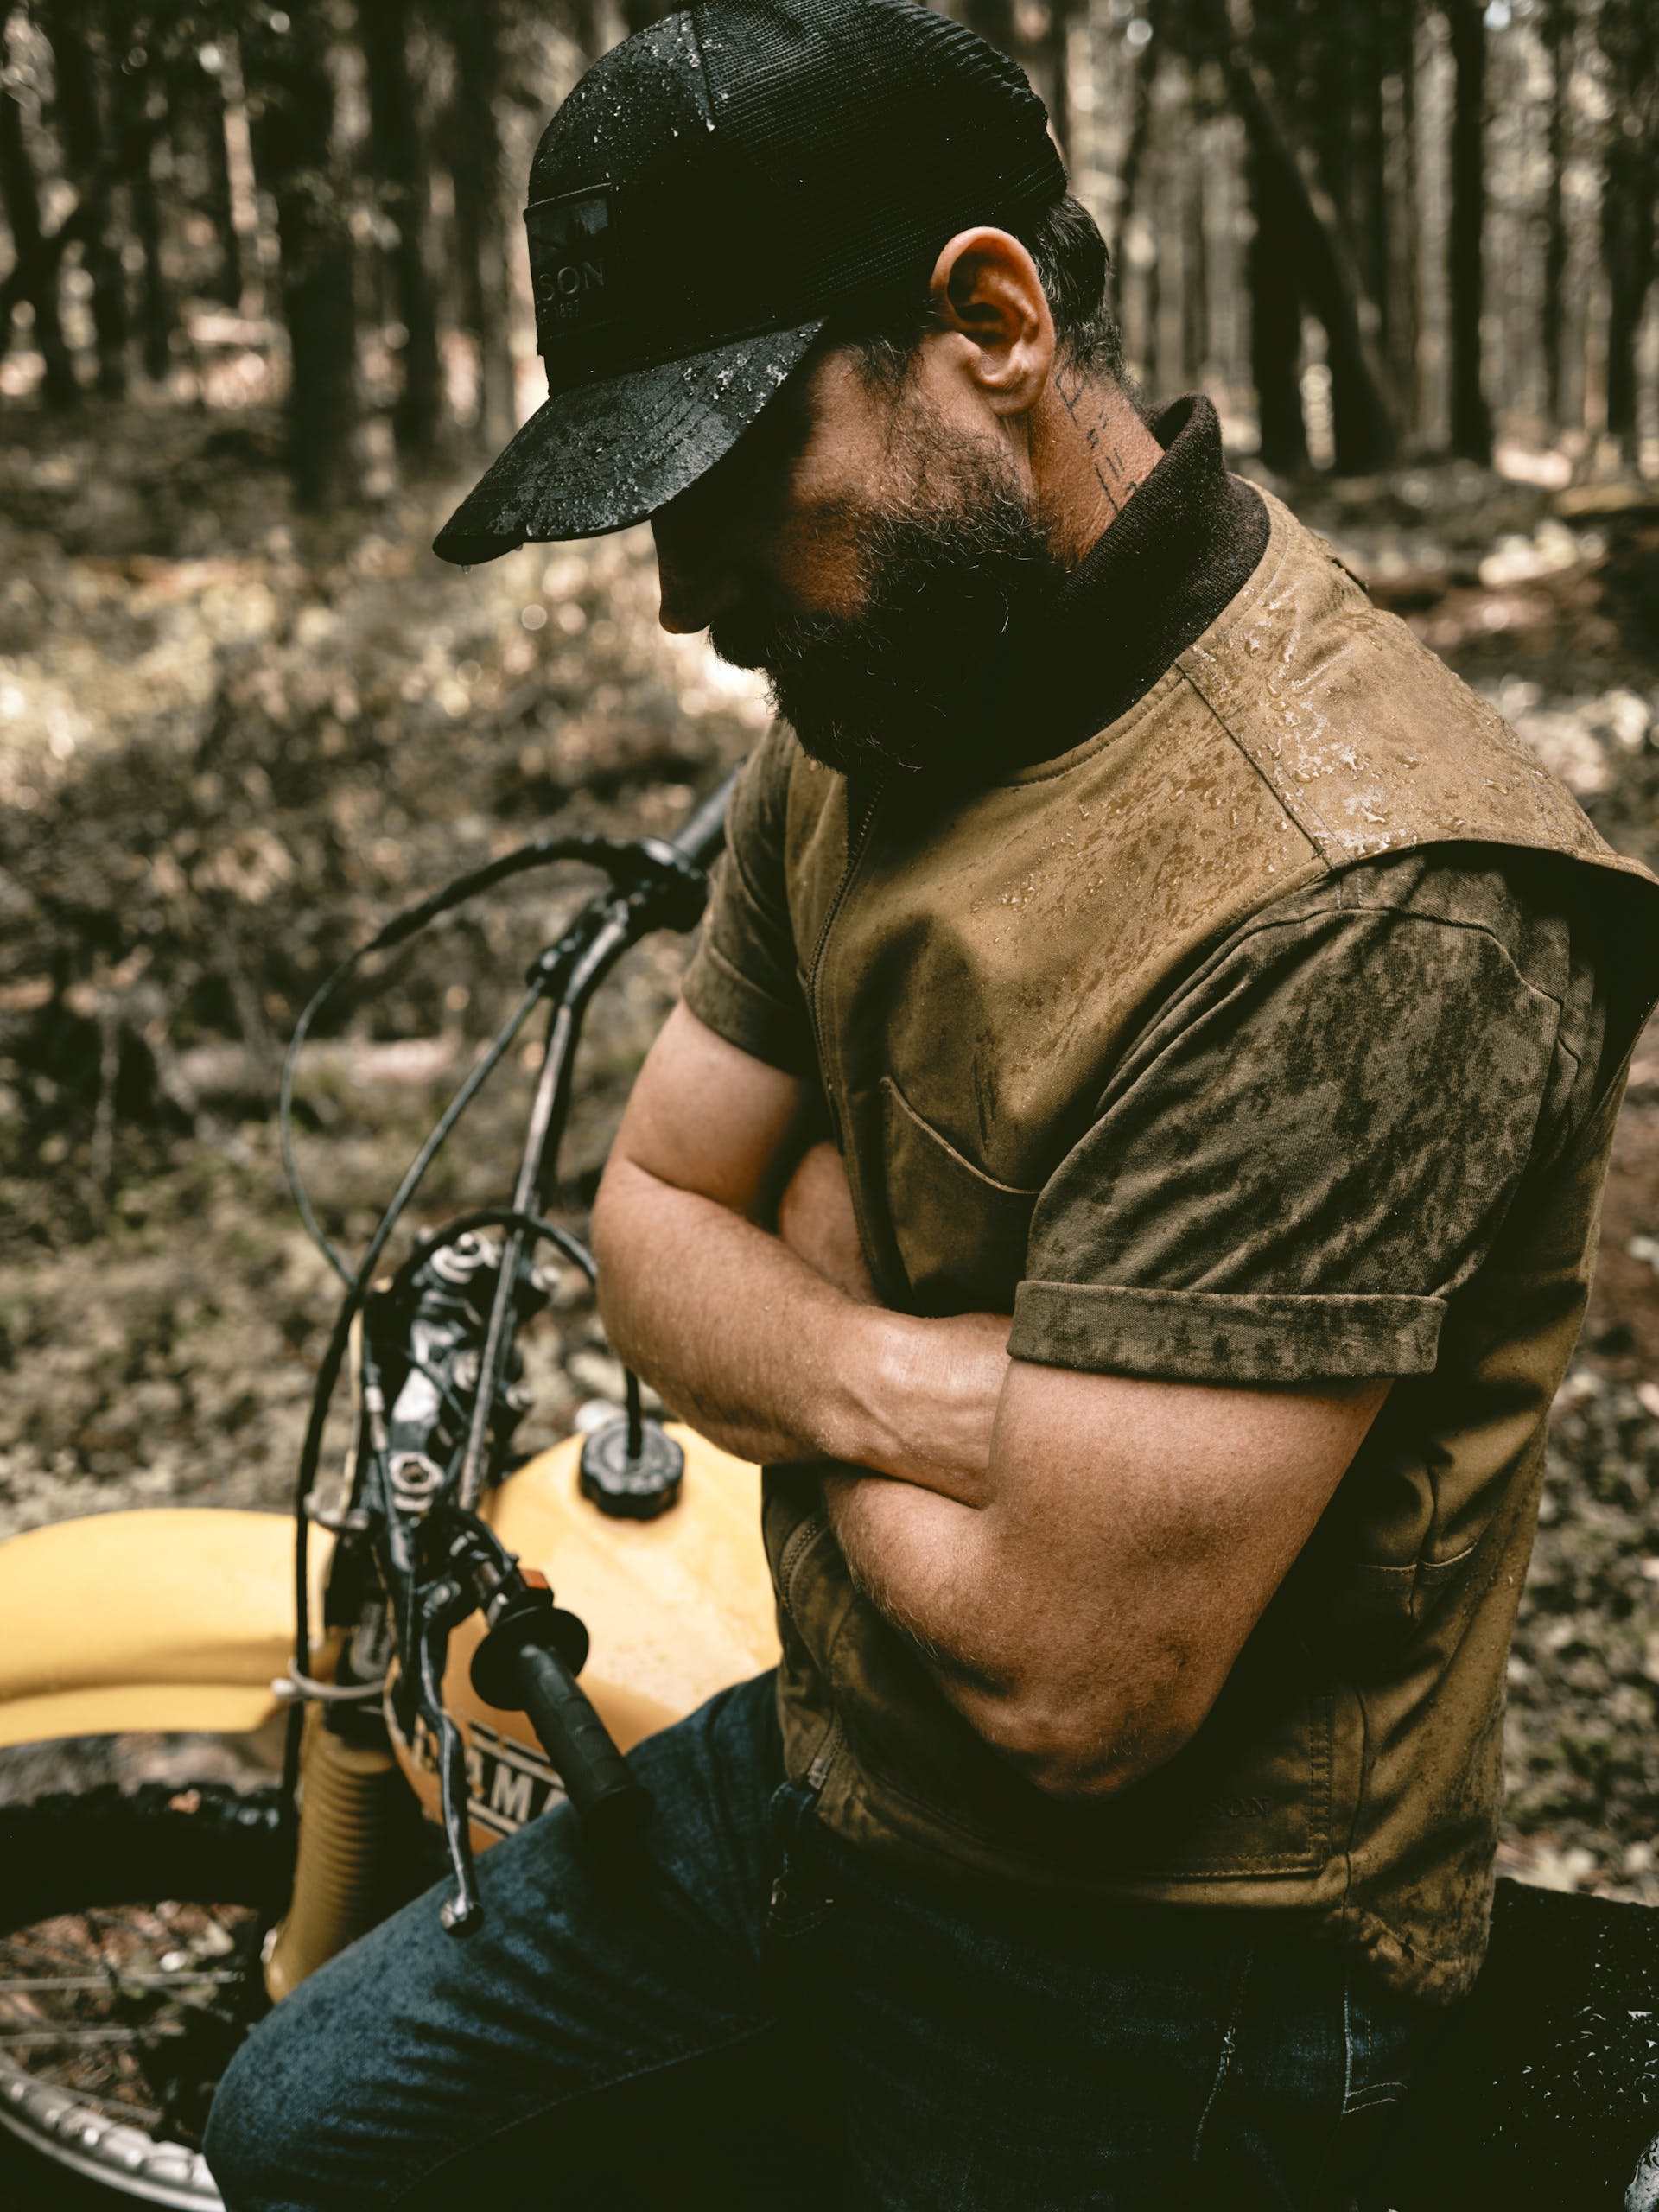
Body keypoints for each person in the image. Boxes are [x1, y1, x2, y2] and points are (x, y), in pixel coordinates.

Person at [205, 3, 1659, 2207]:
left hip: (1169, 1970)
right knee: (296, 2127)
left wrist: (791, 1293)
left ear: (986, 320)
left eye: (719, 488)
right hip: (826, 1770)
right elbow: (657, 1221)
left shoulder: (1374, 890)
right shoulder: (883, 686)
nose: (689, 603)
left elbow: (1080, 1684)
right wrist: (930, 1381)